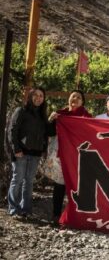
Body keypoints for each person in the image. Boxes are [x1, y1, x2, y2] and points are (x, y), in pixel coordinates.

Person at [47, 90, 92, 224]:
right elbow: (49, 132)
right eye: (73, 97)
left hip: (79, 156)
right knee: (60, 186)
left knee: (77, 187)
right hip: (61, 155)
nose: (76, 99)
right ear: (69, 99)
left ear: (82, 102)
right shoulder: (60, 114)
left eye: (79, 97)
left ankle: (76, 216)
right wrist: (51, 120)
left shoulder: (87, 117)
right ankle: (56, 215)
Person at [8, 87, 48, 219]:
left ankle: (26, 210)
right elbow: (12, 130)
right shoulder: (21, 111)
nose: (38, 98)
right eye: (35, 95)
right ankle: (14, 210)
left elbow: (46, 133)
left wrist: (44, 149)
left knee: (29, 182)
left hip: (35, 154)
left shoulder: (42, 115)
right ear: (30, 96)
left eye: (41, 96)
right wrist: (16, 149)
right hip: (21, 152)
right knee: (17, 180)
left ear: (44, 99)